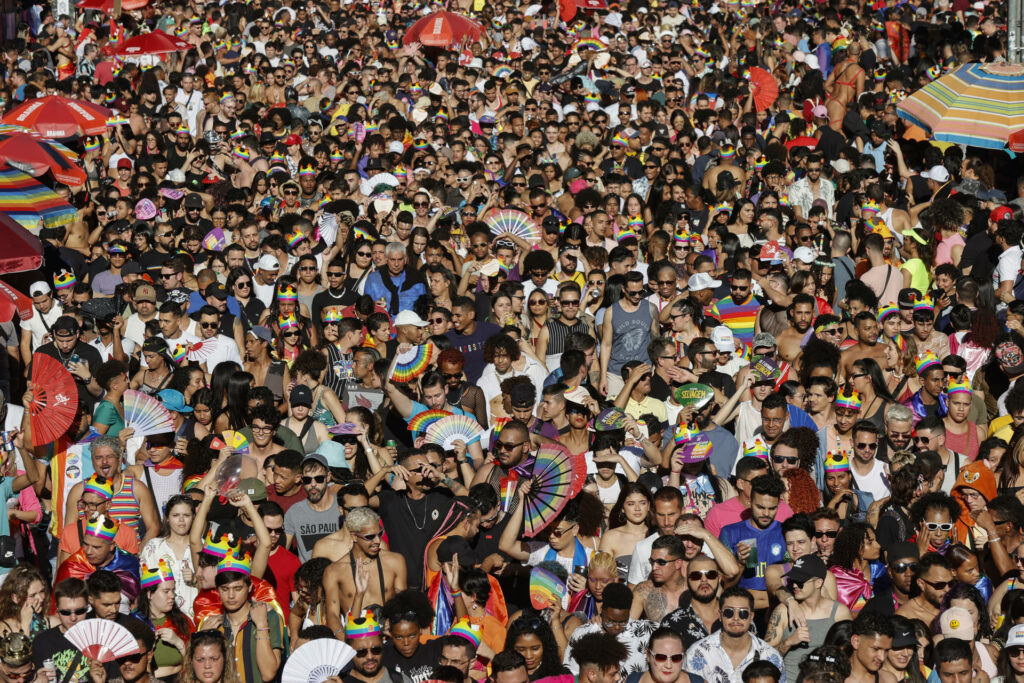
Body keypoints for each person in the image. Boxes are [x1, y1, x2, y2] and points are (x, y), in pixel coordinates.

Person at [764, 555, 852, 682]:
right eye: (792, 580)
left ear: (818, 583)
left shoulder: (839, 613)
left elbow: (850, 659)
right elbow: (764, 658)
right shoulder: (783, 612)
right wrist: (787, 643)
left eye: (800, 581)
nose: (794, 585)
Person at [684, 587, 785, 683]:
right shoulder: (697, 653)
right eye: (729, 612)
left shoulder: (770, 656)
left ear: (751, 616)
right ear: (720, 615)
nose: (736, 618)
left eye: (743, 613)